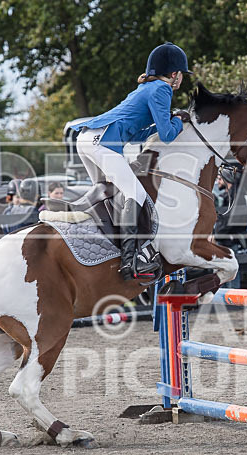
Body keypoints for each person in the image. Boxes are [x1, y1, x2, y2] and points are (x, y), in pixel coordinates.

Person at [69, 42, 192, 281]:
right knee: (135, 193)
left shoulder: (145, 88)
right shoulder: (162, 89)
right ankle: (130, 262)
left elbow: (136, 135)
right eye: (181, 75)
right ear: (174, 74)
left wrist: (165, 122)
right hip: (102, 141)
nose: (181, 80)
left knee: (107, 193)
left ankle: (100, 246)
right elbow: (168, 135)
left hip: (87, 138)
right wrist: (179, 120)